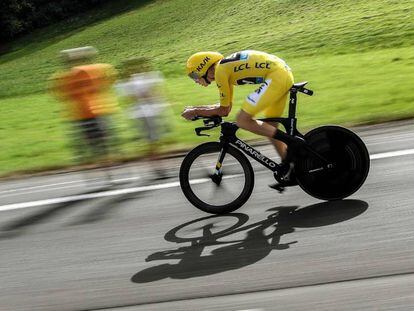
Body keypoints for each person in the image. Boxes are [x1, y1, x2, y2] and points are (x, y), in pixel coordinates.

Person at [181, 50, 305, 188]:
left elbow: (223, 110)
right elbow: (225, 107)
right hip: (281, 74)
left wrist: (196, 111)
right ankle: (291, 169)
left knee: (242, 120)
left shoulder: (220, 71)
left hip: (277, 76)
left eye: (194, 75)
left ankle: (292, 142)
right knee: (269, 127)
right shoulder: (224, 68)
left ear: (202, 67)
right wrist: (198, 110)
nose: (196, 80)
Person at [51, 46, 119, 164]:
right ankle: (108, 166)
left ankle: (103, 166)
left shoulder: (64, 75)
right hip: (96, 111)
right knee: (105, 142)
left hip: (83, 114)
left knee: (95, 145)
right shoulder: (98, 68)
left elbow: (59, 94)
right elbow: (111, 77)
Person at [115, 58, 172, 180]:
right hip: (144, 114)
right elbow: (137, 96)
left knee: (153, 141)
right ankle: (157, 167)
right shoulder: (134, 80)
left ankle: (156, 165)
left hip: (149, 112)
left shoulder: (144, 78)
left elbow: (150, 94)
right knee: (152, 142)